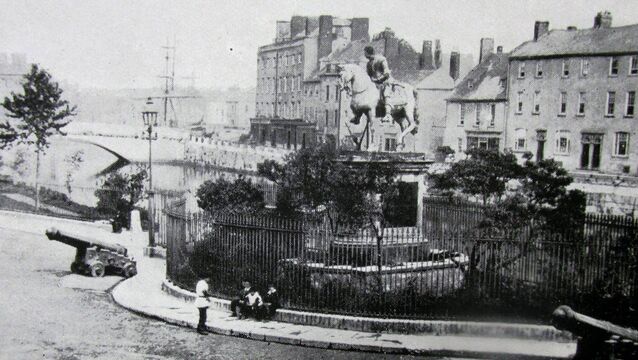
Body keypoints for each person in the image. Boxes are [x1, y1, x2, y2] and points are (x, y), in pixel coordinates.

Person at [364, 45, 393, 123]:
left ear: (367, 53)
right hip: (375, 84)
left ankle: (388, 114)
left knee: (386, 93)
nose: (364, 55)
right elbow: (368, 76)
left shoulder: (381, 59)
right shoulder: (368, 64)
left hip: (385, 81)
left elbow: (386, 73)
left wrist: (378, 80)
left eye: (365, 53)